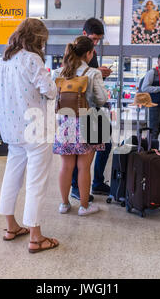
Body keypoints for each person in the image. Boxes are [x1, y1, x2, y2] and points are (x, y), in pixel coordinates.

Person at [0, 18, 58, 253]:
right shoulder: (32, 59)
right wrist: (55, 84)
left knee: (11, 177)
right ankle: (36, 237)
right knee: (36, 182)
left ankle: (11, 226)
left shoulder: (3, 61)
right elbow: (49, 90)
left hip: (12, 129)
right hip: (36, 129)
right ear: (37, 38)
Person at [53, 36, 109, 216]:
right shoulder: (93, 73)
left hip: (65, 122)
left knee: (66, 166)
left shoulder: (59, 73)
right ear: (89, 53)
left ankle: (64, 204)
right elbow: (101, 99)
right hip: (88, 121)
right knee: (84, 167)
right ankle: (84, 207)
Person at [70, 18, 113, 200]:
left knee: (105, 144)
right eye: (94, 39)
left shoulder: (92, 53)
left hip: (92, 108)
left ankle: (95, 183)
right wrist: (97, 74)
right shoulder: (75, 52)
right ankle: (77, 187)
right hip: (81, 110)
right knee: (77, 152)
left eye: (98, 40)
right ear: (84, 33)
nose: (95, 44)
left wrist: (99, 74)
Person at [141, 53, 160, 139]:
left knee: (158, 130)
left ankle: (151, 147)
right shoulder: (151, 73)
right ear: (158, 61)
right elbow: (144, 88)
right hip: (154, 105)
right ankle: (150, 150)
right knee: (153, 130)